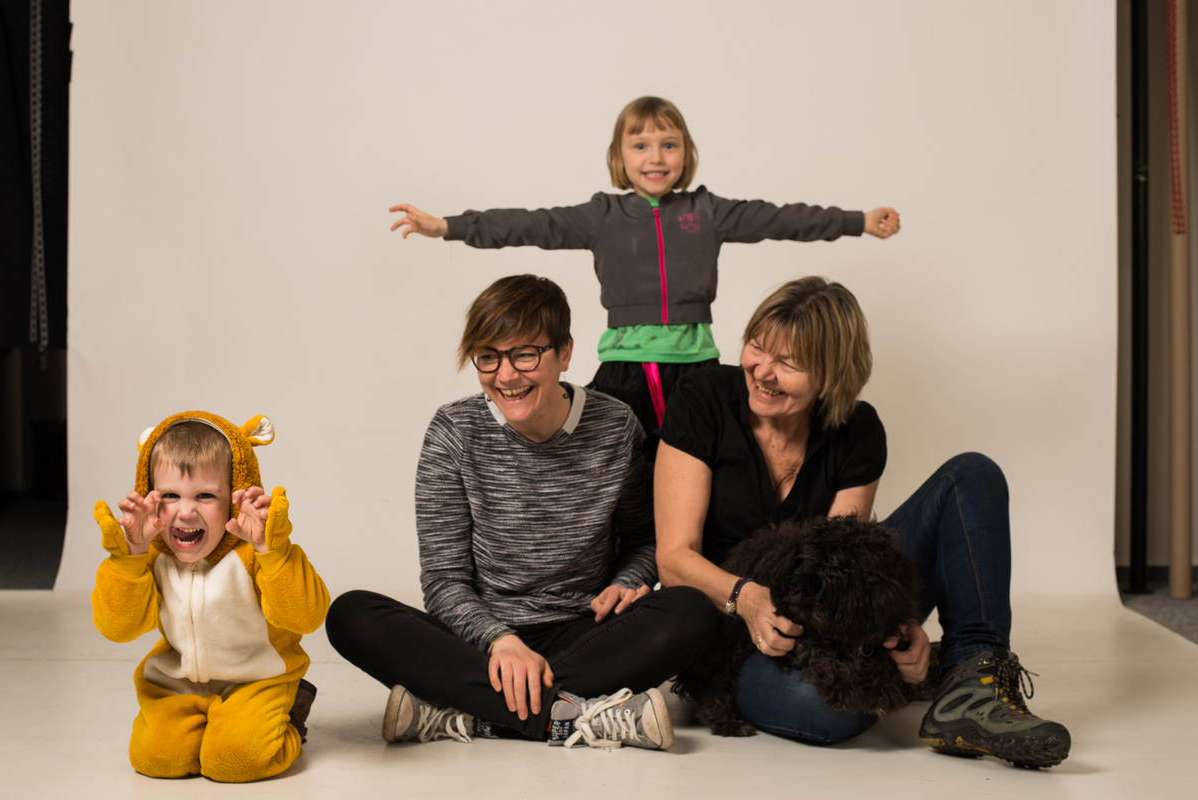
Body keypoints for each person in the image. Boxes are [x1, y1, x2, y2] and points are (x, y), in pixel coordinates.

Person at [654, 277, 1072, 769]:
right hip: (733, 635)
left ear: (831, 372)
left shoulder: (859, 429)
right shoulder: (702, 398)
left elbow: (849, 570)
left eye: (788, 363)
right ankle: (916, 677)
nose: (762, 372)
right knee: (832, 712)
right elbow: (674, 560)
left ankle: (971, 680)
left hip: (822, 619)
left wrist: (899, 625)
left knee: (972, 475)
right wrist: (747, 599)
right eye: (757, 347)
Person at [326, 274, 716, 750]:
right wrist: (501, 641)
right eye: (488, 357)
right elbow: (444, 580)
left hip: (586, 632)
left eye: (525, 355)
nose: (506, 376)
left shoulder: (615, 425)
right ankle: (574, 715)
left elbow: (644, 542)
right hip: (481, 639)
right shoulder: (454, 430)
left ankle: (470, 713)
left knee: (692, 610)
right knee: (351, 614)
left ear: (565, 353)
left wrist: (625, 582)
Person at [388, 96, 900, 442]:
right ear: (619, 156)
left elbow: (782, 219)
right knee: (619, 463)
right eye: (641, 146)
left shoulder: (707, 210)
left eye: (668, 145)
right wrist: (448, 226)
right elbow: (530, 224)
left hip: (696, 364)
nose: (656, 157)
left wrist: (858, 221)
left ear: (686, 154)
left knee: (711, 458)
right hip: (625, 367)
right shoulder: (602, 215)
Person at [92, 411, 330, 782]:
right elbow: (118, 629)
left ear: (235, 497)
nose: (186, 511)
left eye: (205, 495)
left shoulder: (254, 554)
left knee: (235, 762)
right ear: (149, 496)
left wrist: (273, 551)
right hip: (178, 682)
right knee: (156, 760)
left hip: (256, 680)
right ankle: (210, 725)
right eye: (170, 496)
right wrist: (130, 559)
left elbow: (306, 618)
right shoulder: (150, 556)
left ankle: (292, 717)